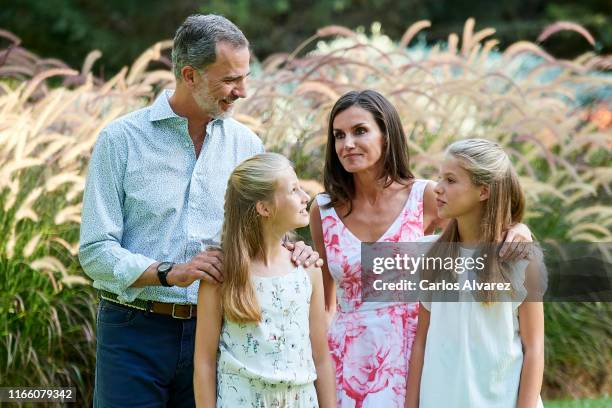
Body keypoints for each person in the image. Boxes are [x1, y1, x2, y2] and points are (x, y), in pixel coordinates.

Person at [79, 15, 319, 408]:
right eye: (229, 80)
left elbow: (263, 227)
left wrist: (294, 250)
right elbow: (95, 250)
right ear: (189, 75)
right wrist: (170, 272)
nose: (241, 91)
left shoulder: (247, 144)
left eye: (244, 77)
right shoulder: (119, 141)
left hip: (222, 330)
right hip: (132, 331)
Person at [309, 90, 533, 407]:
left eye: (360, 131)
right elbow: (325, 303)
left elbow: (477, 231)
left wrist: (519, 229)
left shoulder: (425, 196)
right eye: (338, 135)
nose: (347, 144)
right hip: (348, 361)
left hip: (415, 353)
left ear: (387, 135)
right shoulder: (323, 211)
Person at [405, 139, 545, 408]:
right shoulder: (432, 256)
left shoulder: (521, 259)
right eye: (439, 178)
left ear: (483, 191)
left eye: (451, 180)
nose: (438, 187)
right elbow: (421, 342)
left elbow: (534, 347)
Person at [194, 153, 336, 407]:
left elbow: (321, 358)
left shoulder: (307, 269)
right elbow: (204, 362)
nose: (306, 197)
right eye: (294, 190)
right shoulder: (221, 276)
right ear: (264, 207)